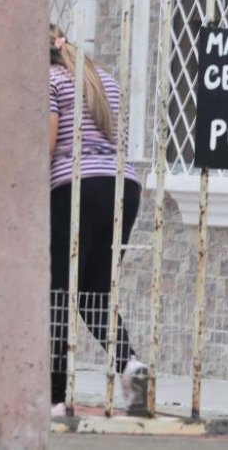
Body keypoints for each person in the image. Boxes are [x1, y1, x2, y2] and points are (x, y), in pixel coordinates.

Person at [48, 25, 148, 417]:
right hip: (124, 187)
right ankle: (131, 365)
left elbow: (49, 144)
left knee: (56, 292)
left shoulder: (50, 79)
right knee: (94, 293)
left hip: (77, 187)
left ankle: (55, 397)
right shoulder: (102, 79)